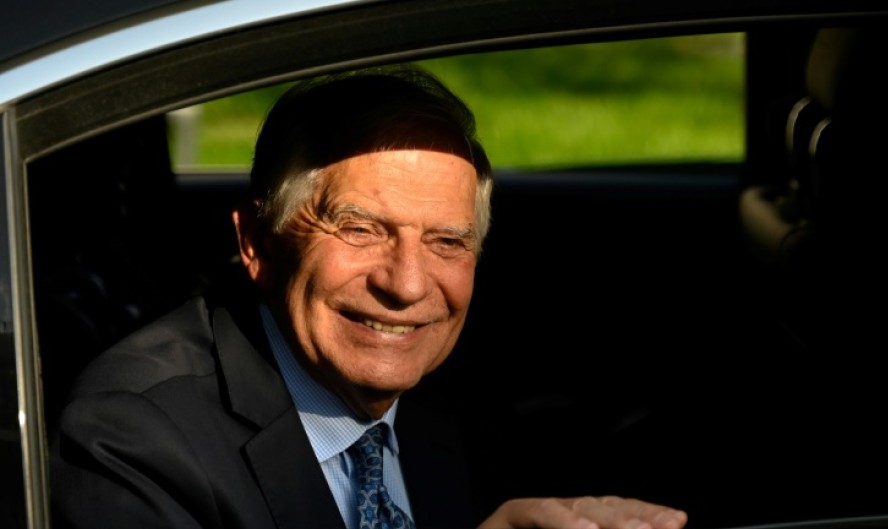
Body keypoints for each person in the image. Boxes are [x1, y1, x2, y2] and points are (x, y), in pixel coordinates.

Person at [50, 64, 689, 529]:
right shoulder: (134, 437)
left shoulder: (441, 385)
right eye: (360, 229)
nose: (406, 285)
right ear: (257, 244)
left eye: (447, 241)